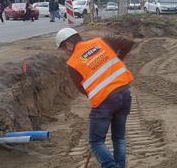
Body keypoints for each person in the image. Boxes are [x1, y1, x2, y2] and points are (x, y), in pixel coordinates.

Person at [55, 28, 135, 168]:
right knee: (119, 138)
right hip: (124, 93)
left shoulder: (73, 63)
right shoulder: (101, 42)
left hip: (105, 102)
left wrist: (97, 96)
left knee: (96, 142)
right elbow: (128, 43)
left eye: (64, 48)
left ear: (67, 45)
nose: (66, 52)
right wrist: (118, 58)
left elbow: (82, 89)